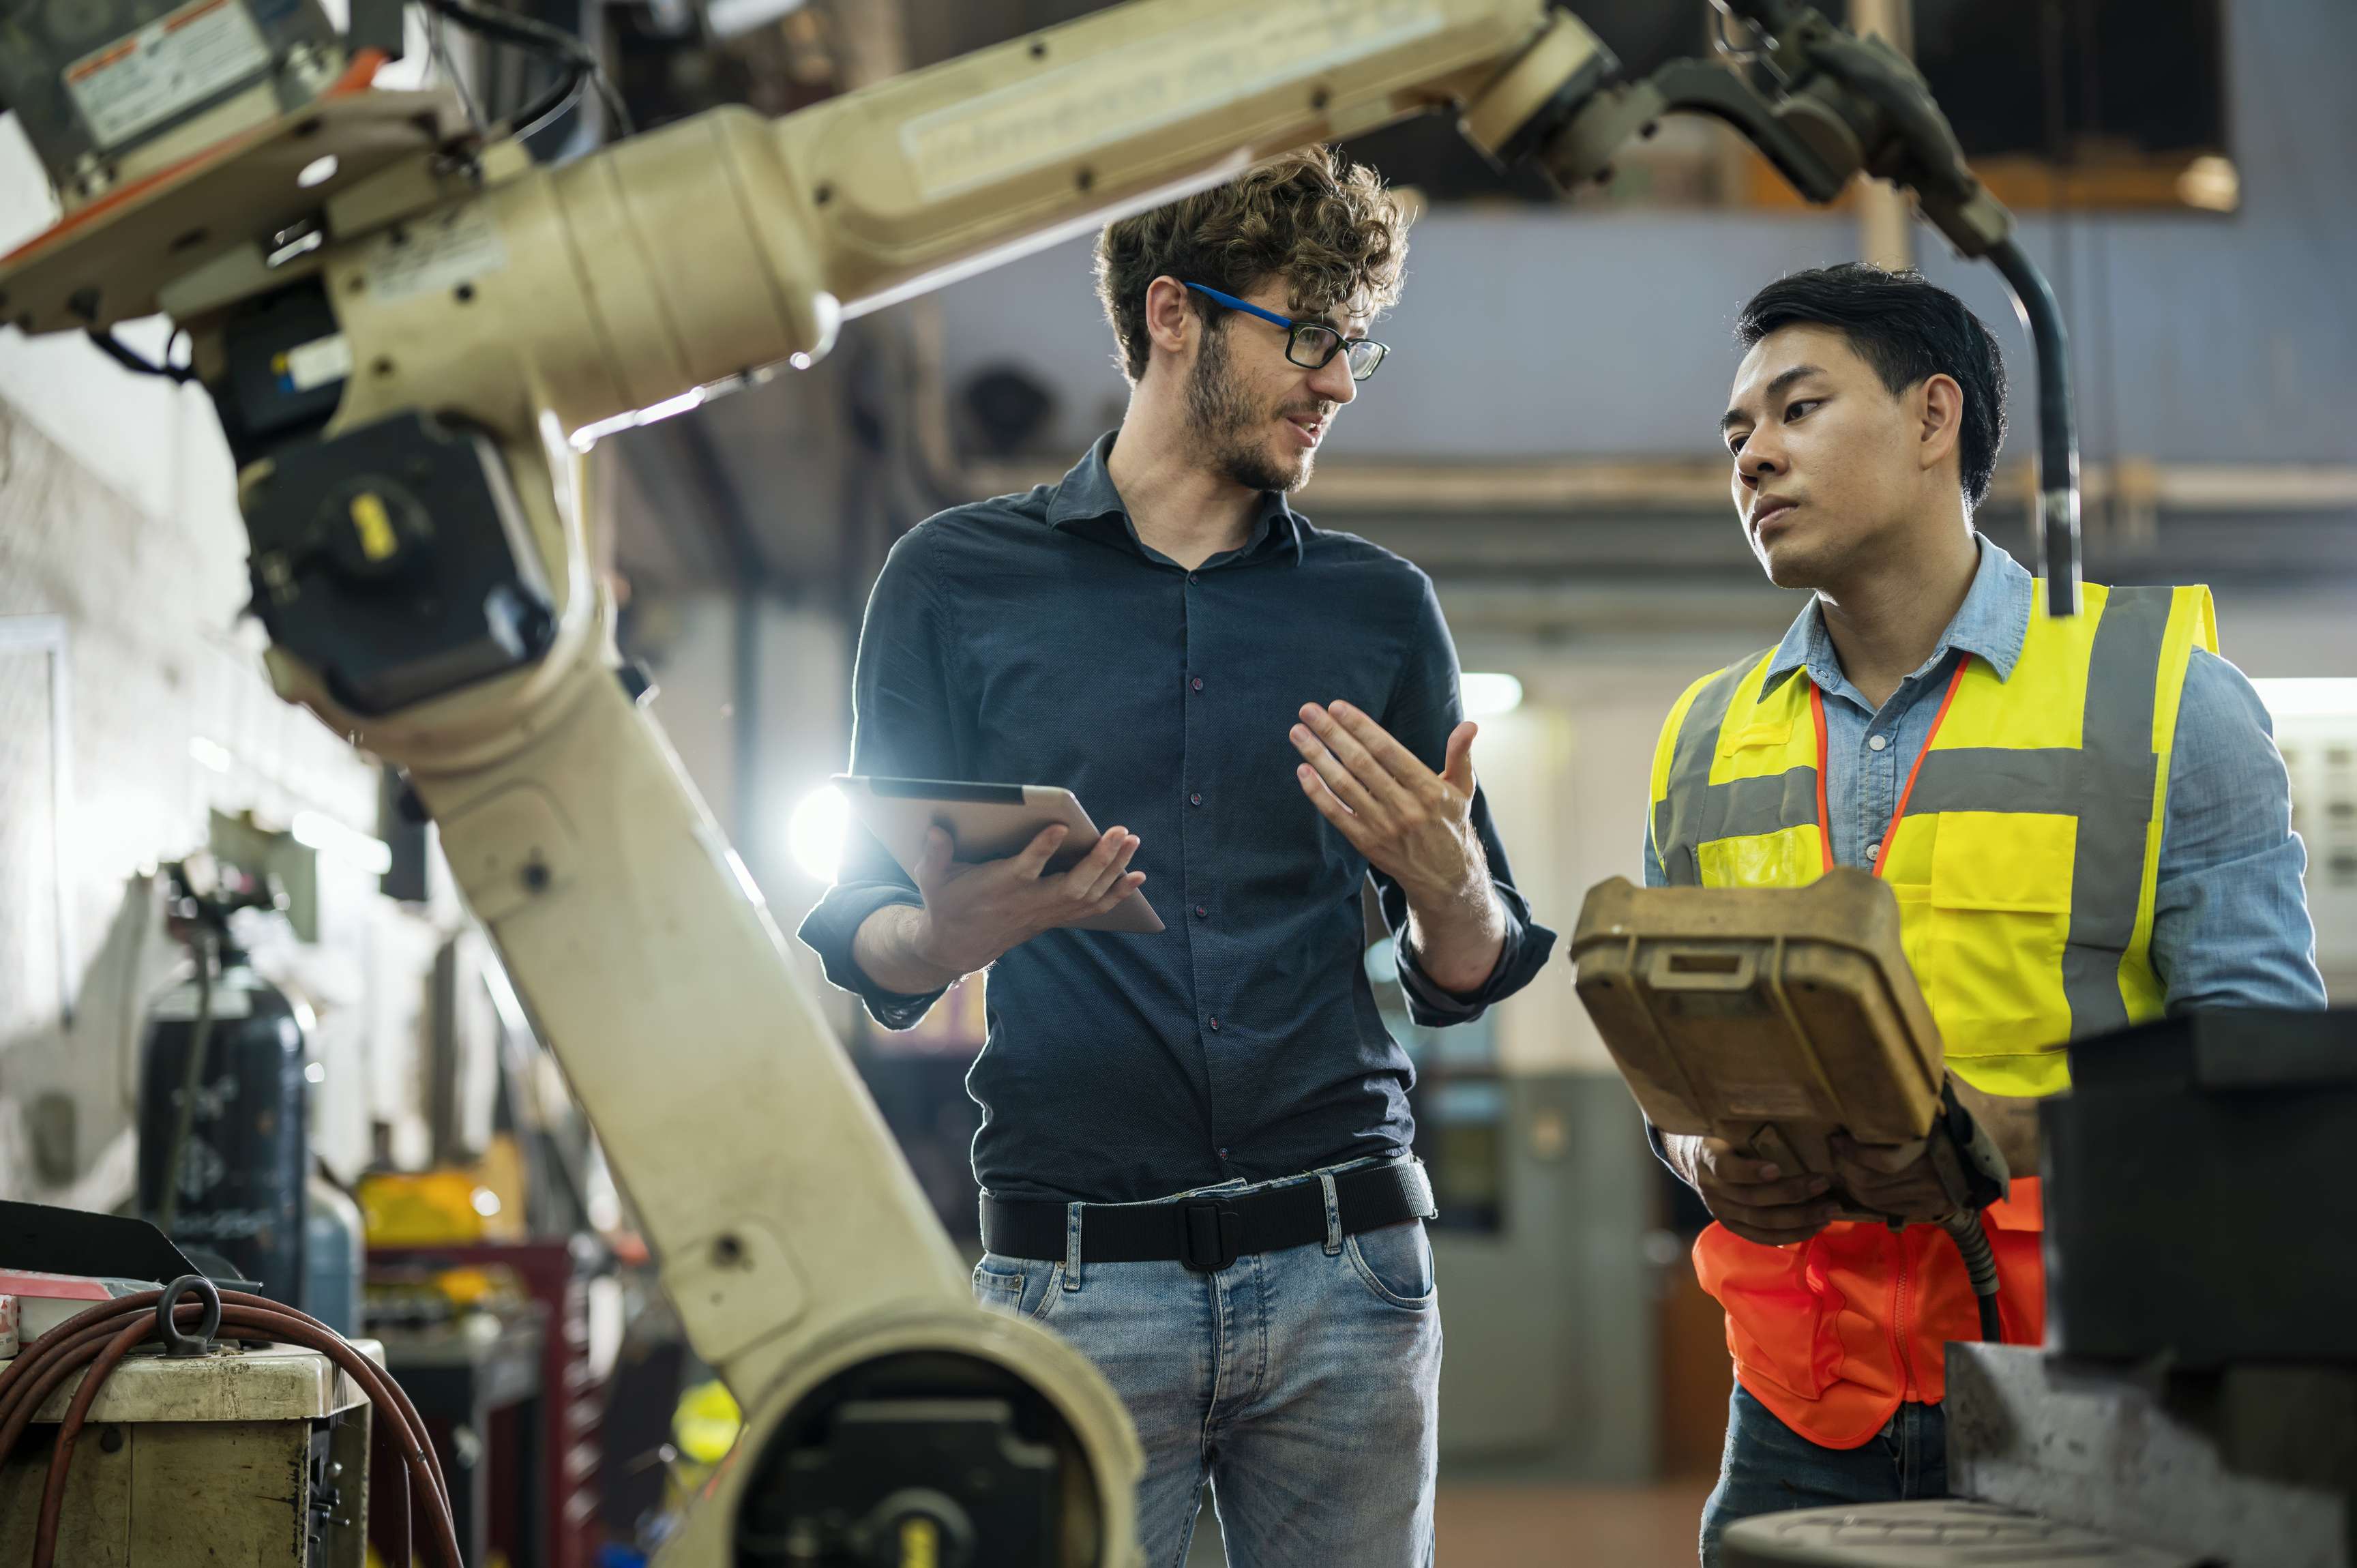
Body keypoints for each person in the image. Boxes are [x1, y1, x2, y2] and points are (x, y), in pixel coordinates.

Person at [799, 147, 1555, 1567]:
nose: (1336, 381)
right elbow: (866, 933)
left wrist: (1453, 885)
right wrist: (949, 933)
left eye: (1354, 349)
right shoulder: (951, 581)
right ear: (1172, 317)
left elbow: (1471, 956)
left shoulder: (1382, 610)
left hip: (1349, 1275)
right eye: (1307, 336)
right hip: (1074, 1280)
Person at [1644, 263, 2326, 1566]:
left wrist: (1999, 1130)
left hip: (2090, 1396)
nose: (1754, 457)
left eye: (1797, 410)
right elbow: (1674, 1078)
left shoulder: (2166, 704)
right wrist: (1700, 1156)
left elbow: (2261, 1081)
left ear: (1932, 417)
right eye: (1737, 434)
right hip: (1797, 1409)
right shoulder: (1706, 739)